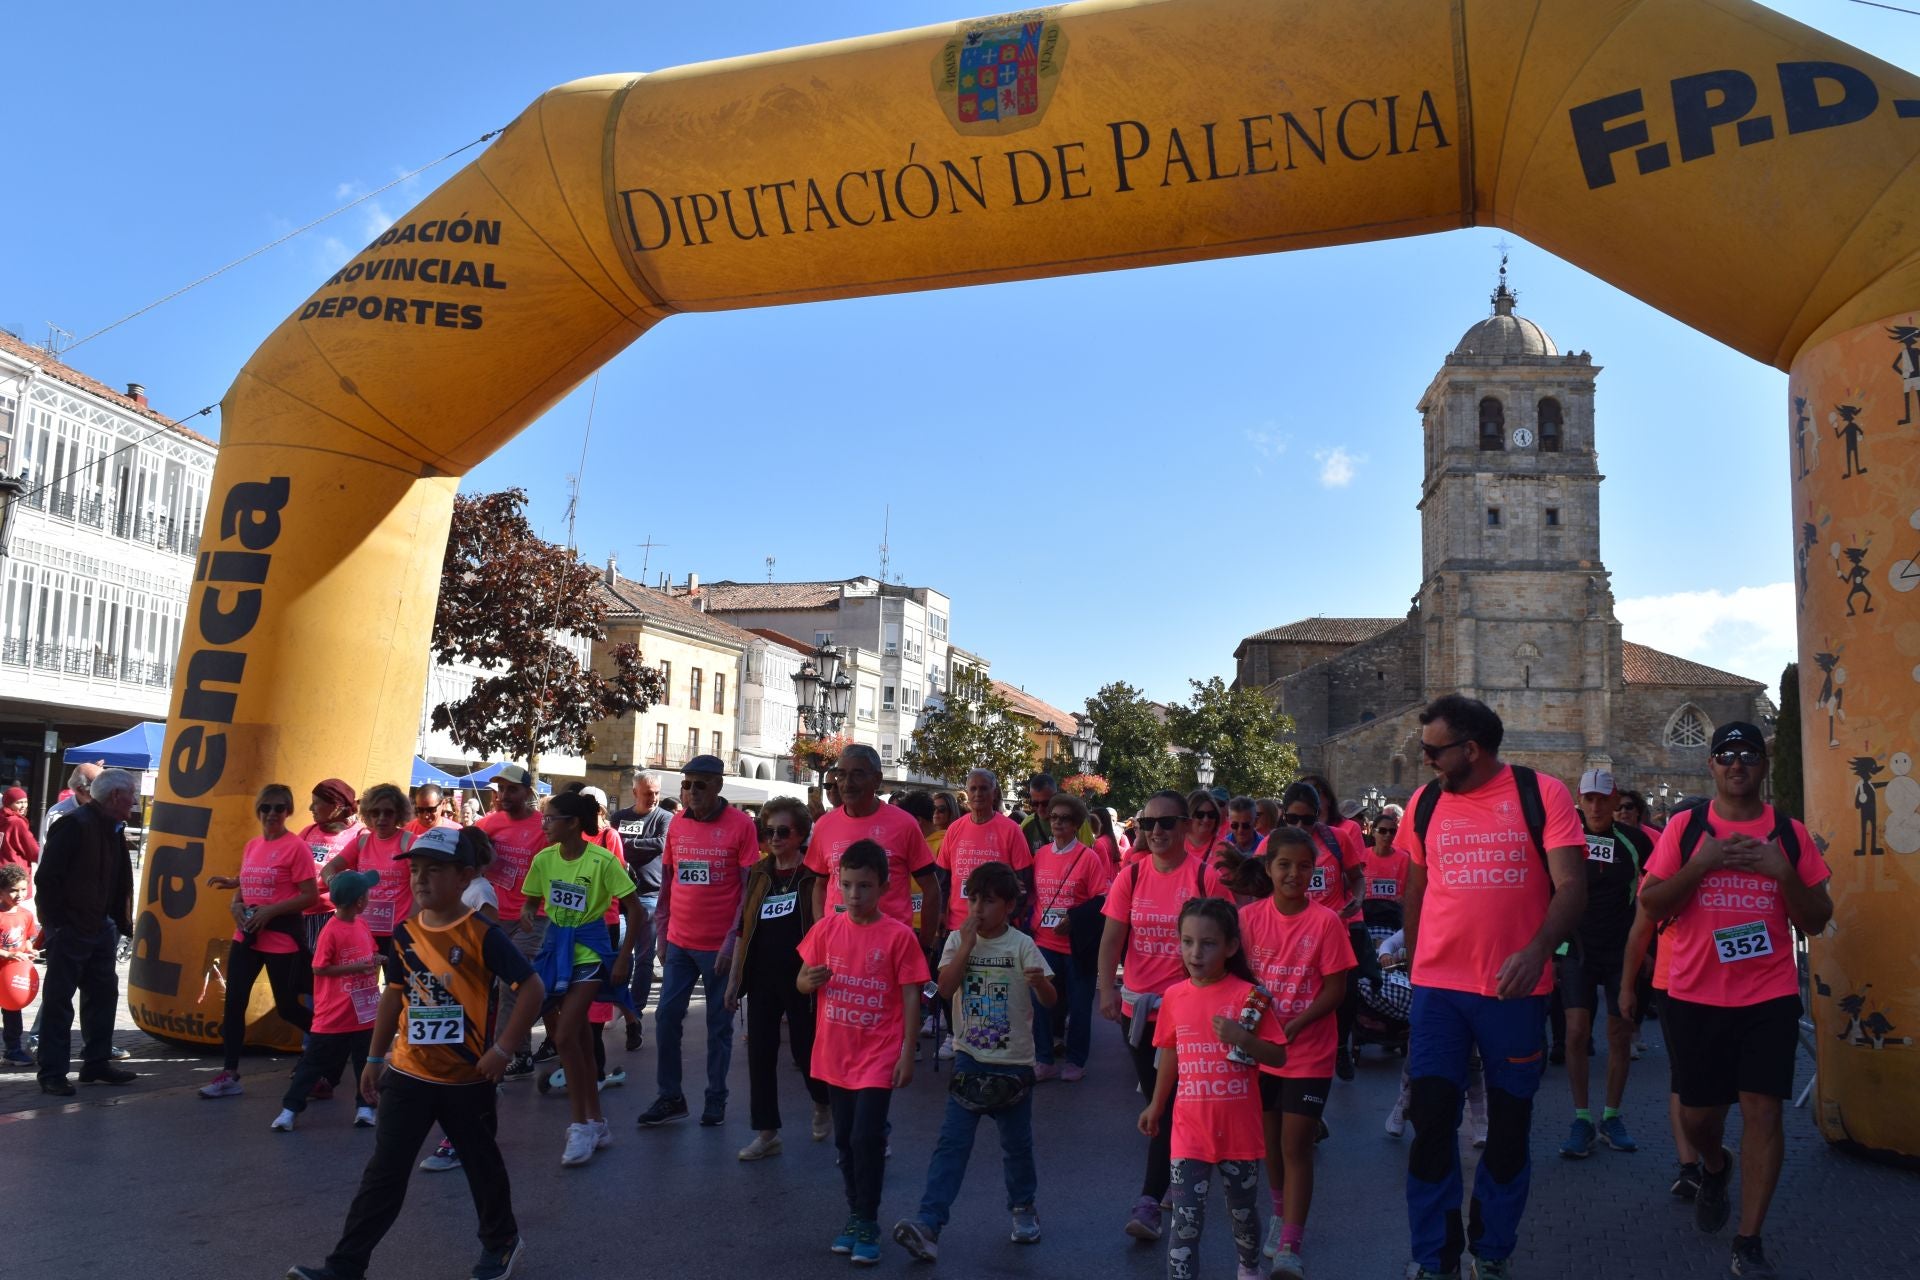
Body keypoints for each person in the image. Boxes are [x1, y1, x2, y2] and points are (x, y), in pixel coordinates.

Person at [287, 825, 545, 1280]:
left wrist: (504, 1049)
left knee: (481, 1166)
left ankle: (502, 1243)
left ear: (465, 877)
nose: (421, 880)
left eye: (435, 871)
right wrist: (373, 1057)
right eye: (416, 871)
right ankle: (344, 1266)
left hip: (467, 1078)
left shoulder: (482, 934)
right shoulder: (406, 932)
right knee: (384, 1173)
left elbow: (531, 989)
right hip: (408, 1073)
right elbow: (395, 995)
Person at [1396, 695, 1587, 1280]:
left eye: (1433, 749)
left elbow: (1572, 887)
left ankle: (1493, 1249)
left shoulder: (1542, 793)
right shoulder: (1424, 803)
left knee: (1509, 1126)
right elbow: (1416, 889)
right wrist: (1414, 960)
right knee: (1431, 1121)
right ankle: (1434, 1257)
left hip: (1514, 993)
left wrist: (1536, 953)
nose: (1424, 759)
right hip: (1438, 992)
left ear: (1470, 749)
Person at [1635, 723, 1831, 1279]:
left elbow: (1817, 919)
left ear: (1763, 766)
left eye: (1748, 754)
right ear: (1712, 766)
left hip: (1767, 995)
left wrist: (1782, 873)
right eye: (1726, 755)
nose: (1737, 763)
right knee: (1699, 1120)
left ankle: (1749, 1240)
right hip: (1695, 995)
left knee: (1764, 1111)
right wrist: (1704, 863)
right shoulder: (1685, 828)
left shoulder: (1790, 836)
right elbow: (1650, 904)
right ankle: (1715, 1166)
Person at [894, 861, 1055, 1261]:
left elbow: (1051, 1001)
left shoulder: (1021, 945)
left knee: (1016, 1146)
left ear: (1009, 905)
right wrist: (966, 945)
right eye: (973, 898)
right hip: (969, 1058)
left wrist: (1042, 985)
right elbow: (944, 991)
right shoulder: (955, 941)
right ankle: (928, 1224)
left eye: (988, 900)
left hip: (1014, 1062)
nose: (978, 908)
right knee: (951, 1144)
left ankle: (1023, 1208)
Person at [1097, 788, 1231, 1243]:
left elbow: (1229, 946)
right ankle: (1179, 1173)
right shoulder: (1130, 879)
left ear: (1186, 826)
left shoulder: (1205, 879)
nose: (1156, 831)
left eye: (1167, 823)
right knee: (1159, 1099)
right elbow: (1112, 939)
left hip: (1190, 1014)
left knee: (1169, 1103)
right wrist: (1106, 991)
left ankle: (1149, 1201)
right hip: (1138, 1011)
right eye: (1148, 823)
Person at [1139, 897, 1289, 1280]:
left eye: (1207, 943)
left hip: (1239, 1132)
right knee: (1185, 1222)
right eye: (1187, 942)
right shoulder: (1174, 996)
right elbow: (1170, 1053)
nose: (1195, 952)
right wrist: (1156, 1105)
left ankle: (1249, 1267)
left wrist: (1243, 1037)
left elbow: (1278, 1055)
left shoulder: (1247, 996)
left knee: (1243, 1216)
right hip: (1189, 1132)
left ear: (1230, 947)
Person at [797, 840, 931, 1266]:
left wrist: (908, 1052)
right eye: (848, 885)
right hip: (835, 1053)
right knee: (844, 1141)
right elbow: (801, 980)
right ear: (838, 883)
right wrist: (808, 981)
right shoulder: (825, 930)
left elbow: (912, 997)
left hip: (879, 1053)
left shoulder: (898, 936)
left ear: (884, 887)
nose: (856, 896)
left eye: (866, 887)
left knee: (866, 1138)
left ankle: (868, 1221)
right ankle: (854, 1215)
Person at [1238, 826, 1356, 1277]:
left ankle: (1291, 1243)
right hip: (1262, 1050)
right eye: (1284, 865)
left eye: (1303, 866)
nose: (1293, 873)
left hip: (1308, 1051)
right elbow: (1240, 980)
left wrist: (1298, 1021)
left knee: (1296, 1144)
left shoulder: (1326, 922)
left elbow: (1336, 989)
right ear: (1268, 868)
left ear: (1315, 872)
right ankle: (1277, 1214)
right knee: (1269, 1142)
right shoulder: (1248, 920)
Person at [639, 754, 760, 1129]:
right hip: (679, 942)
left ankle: (716, 1097)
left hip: (719, 947)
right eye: (687, 784)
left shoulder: (741, 826)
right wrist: (662, 929)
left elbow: (748, 891)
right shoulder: (677, 825)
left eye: (700, 784)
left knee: (718, 1025)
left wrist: (731, 943)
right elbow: (670, 881)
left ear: (718, 786)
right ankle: (670, 1096)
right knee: (665, 1017)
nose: (691, 792)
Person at [523, 790, 639, 1165]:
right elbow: (531, 899)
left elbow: (636, 912)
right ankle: (597, 1121)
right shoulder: (543, 859)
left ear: (572, 823)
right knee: (580, 1043)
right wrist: (527, 912)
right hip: (556, 950)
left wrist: (623, 958)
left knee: (567, 1033)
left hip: (591, 949)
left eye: (550, 818)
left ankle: (579, 1126)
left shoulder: (603, 861)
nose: (544, 825)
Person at [1556, 768, 1654, 1159]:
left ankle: (1611, 1116)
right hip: (1576, 947)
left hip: (1621, 949)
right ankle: (1582, 1118)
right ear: (1579, 801)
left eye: (1603, 799)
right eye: (1589, 799)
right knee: (1576, 1033)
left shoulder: (1635, 842)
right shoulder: (1565, 841)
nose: (1596, 806)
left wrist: (1648, 946)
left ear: (1616, 802)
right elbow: (1550, 894)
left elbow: (1654, 895)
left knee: (1619, 1033)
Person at [724, 795, 829, 1159]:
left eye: (783, 831)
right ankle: (767, 1132)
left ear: (800, 834)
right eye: (768, 831)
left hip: (802, 977)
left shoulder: (812, 876)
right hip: (762, 975)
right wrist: (736, 977)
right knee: (761, 1055)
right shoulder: (759, 872)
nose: (774, 838)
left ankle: (822, 1103)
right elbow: (744, 926)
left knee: (805, 1051)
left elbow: (823, 926)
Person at [200, 783, 319, 1100]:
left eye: (279, 808)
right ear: (259, 810)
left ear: (288, 811)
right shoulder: (253, 845)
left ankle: (327, 1044)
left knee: (287, 1008)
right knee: (234, 1002)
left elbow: (309, 895)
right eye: (266, 808)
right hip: (248, 935)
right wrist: (235, 903)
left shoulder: (297, 848)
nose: (272, 814)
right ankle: (230, 1073)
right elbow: (248, 883)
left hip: (281, 937)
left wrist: (270, 911)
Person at [33, 766, 136, 1095]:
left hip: (100, 928)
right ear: (116, 796)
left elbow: (119, 880)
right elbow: (45, 880)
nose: (134, 803)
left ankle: (96, 1064)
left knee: (103, 996)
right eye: (131, 796)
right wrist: (59, 925)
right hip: (72, 928)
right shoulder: (74, 825)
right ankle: (52, 1073)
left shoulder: (113, 828)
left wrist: (118, 922)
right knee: (59, 1001)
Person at [805, 745, 942, 953]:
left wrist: (924, 946)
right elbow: (820, 886)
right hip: (838, 946)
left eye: (857, 775)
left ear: (877, 780)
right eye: (841, 775)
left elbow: (931, 889)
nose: (847, 784)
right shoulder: (824, 825)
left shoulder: (904, 824)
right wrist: (821, 930)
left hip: (890, 949)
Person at [276, 868, 383, 1131]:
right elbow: (319, 968)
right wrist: (359, 967)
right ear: (359, 901)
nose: (369, 897)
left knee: (365, 1064)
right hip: (332, 1014)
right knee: (312, 1064)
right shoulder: (331, 930)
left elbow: (371, 955)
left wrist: (376, 962)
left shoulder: (362, 925)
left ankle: (365, 1107)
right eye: (366, 893)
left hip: (363, 1014)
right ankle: (289, 1110)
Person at [1281, 781, 1371, 1081]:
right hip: (1291, 938)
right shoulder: (1273, 844)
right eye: (1292, 819)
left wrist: (1356, 900)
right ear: (1283, 816)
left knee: (1342, 996)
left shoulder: (1338, 840)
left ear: (1319, 816)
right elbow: (1257, 885)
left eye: (1307, 819)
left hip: (1334, 932)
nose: (1299, 825)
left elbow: (1357, 878)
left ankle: (1341, 1046)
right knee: (1301, 1001)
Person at [1030, 790, 1108, 1082]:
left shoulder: (1088, 858)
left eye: (1065, 819)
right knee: (1041, 1003)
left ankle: (1076, 1060)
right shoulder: (1040, 855)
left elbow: (1102, 899)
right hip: (1044, 942)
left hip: (1076, 946)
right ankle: (1044, 1058)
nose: (1058, 823)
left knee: (1078, 1004)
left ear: (1076, 824)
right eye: (1054, 818)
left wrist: (1074, 920)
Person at [476, 765, 547, 1079]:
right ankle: (523, 1052)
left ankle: (500, 1058)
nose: (504, 795)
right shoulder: (487, 824)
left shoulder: (545, 827)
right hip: (494, 917)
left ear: (527, 793)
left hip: (533, 918)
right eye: (500, 789)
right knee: (494, 986)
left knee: (511, 985)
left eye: (512, 789)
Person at [608, 769, 670, 1051]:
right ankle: (623, 1003)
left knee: (644, 956)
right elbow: (611, 848)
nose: (654, 798)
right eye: (648, 793)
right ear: (635, 792)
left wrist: (626, 845)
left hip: (648, 895)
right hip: (619, 895)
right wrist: (628, 848)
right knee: (621, 954)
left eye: (656, 792)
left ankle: (637, 1009)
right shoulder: (619, 817)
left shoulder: (664, 817)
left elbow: (661, 844)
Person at [321, 784, 416, 955]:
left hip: (398, 932)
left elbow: (420, 887)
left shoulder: (409, 842)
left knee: (396, 982)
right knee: (363, 981)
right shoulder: (361, 842)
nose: (381, 818)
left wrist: (410, 926)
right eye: (375, 812)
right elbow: (329, 868)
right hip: (364, 930)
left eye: (388, 812)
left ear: (399, 814)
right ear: (367, 815)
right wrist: (334, 883)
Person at [1, 864, 39, 1066]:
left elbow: (26, 939)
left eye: (23, 889)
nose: (19, 894)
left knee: (13, 1014)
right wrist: (6, 953)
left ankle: (13, 1050)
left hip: (11, 979)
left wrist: (29, 950)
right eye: (13, 890)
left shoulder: (26, 914)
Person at [38, 762, 100, 844]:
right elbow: (48, 852)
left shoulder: (111, 810)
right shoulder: (58, 814)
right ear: (80, 790)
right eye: (98, 788)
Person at [1363, 809, 1411, 913]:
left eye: (1392, 831)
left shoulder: (1404, 859)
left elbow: (1411, 889)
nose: (1388, 835)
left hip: (1395, 914)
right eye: (1382, 831)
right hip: (1366, 913)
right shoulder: (1361, 856)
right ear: (1373, 832)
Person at [0, 787, 39, 894]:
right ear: (9, 803)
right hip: (15, 874)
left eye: (25, 802)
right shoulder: (17, 822)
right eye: (19, 802)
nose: (23, 806)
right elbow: (33, 851)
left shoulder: (2, 818)